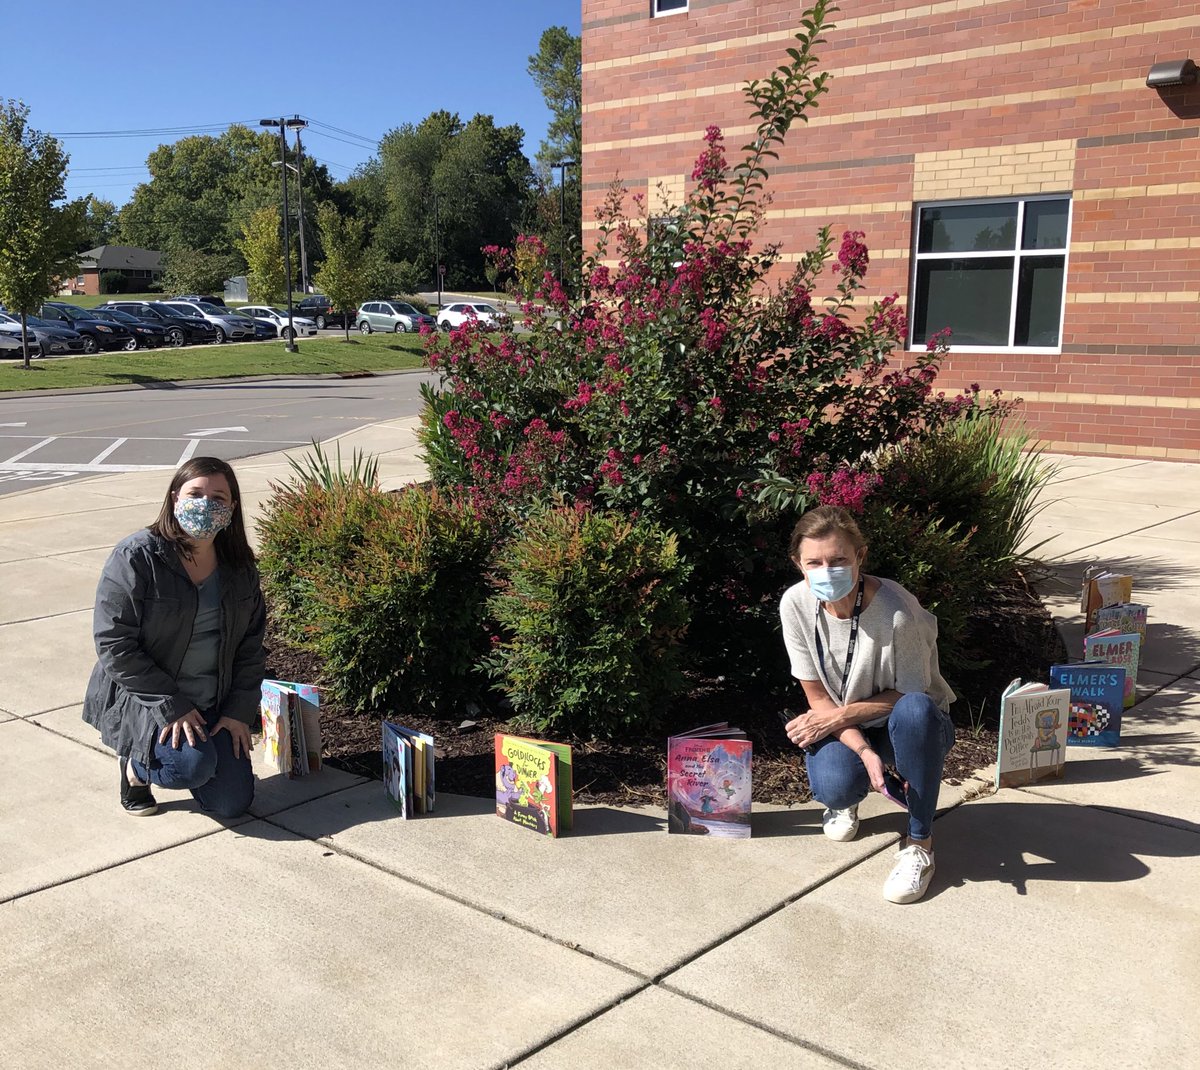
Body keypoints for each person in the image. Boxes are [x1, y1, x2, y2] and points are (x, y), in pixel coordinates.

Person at [779, 505, 956, 904]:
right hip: (849, 724)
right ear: (798, 564)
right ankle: (849, 799)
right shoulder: (794, 605)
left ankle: (919, 844)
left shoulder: (898, 611)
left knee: (914, 713)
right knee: (835, 789)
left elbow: (912, 696)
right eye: (815, 562)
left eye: (839, 559)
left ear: (860, 556)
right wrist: (863, 751)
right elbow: (818, 699)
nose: (827, 570)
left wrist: (839, 717)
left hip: (913, 721)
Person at [83, 457, 267, 818]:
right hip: (151, 700)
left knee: (231, 804)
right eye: (195, 493)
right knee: (190, 767)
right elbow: (113, 644)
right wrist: (172, 705)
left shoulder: (240, 567)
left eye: (218, 498)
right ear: (174, 499)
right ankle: (136, 769)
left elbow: (251, 646)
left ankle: (201, 756)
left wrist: (237, 712)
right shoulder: (137, 556)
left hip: (212, 700)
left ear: (232, 508)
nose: (205, 505)